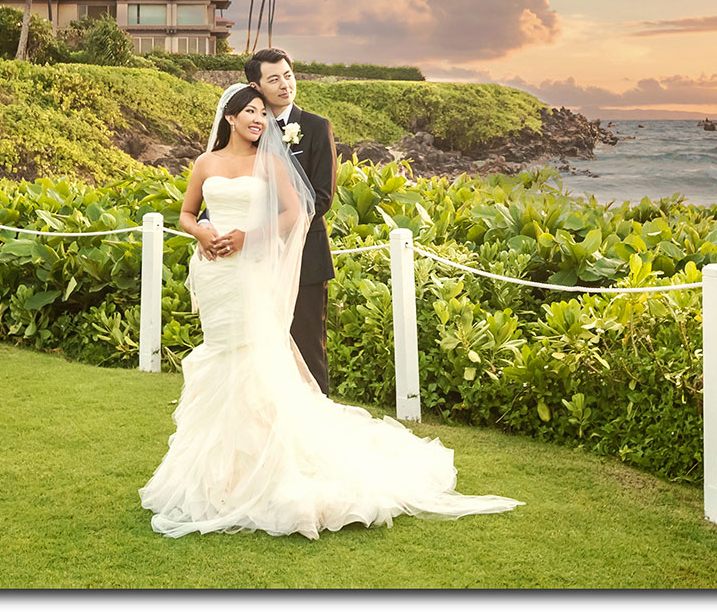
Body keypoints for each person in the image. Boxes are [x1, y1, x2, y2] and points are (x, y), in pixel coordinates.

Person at [139, 83, 520, 538]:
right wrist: (202, 235)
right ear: (230, 118)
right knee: (223, 357)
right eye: (251, 112)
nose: (260, 119)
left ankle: (269, 469)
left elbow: (295, 214)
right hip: (216, 275)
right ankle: (220, 476)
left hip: (250, 270)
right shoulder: (206, 163)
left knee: (257, 359)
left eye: (264, 113)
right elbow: (186, 213)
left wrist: (246, 236)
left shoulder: (273, 162)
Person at [244, 47, 335, 394]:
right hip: (256, 259)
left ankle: (320, 420)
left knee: (308, 344)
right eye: (274, 79)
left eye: (288, 75)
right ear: (257, 86)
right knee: (263, 343)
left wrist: (276, 229)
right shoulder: (250, 128)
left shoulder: (315, 127)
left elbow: (322, 197)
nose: (285, 85)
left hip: (306, 257)